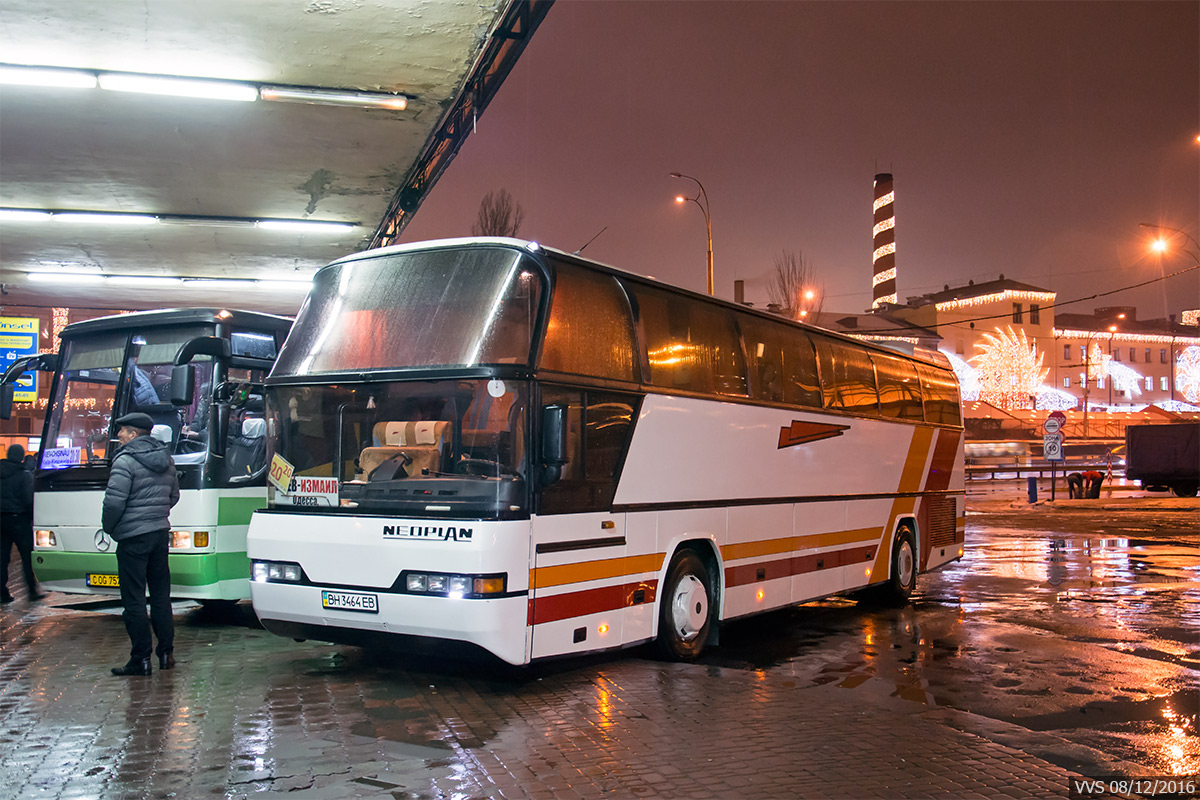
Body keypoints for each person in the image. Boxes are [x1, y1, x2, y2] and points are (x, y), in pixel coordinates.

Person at [102, 412, 179, 675]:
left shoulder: (125, 461)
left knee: (134, 599)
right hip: (159, 534)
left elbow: (114, 501)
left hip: (133, 538)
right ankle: (166, 654)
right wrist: (155, 515)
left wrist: (110, 528)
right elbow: (174, 496)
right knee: (160, 597)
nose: (119, 436)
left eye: (122, 431)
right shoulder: (166, 458)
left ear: (133, 434)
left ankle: (141, 659)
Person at [1, 444, 44, 603]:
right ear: (20, 457)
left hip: (1, 520)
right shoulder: (23, 474)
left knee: (2, 558)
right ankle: (32, 591)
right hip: (19, 519)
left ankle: (2, 593)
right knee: (26, 557)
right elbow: (28, 499)